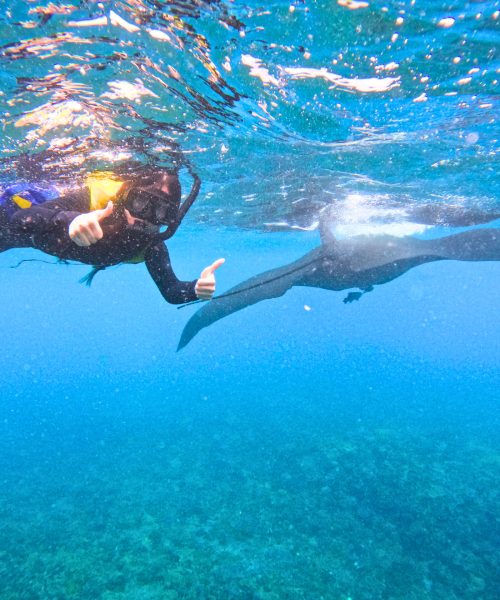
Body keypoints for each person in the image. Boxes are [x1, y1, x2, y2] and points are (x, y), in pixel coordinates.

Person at [177, 209, 500, 349]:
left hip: (339, 267)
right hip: (330, 265)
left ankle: (197, 324)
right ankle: (197, 324)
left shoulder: (403, 250)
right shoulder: (412, 250)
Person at [0, 169, 224, 304]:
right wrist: (70, 220)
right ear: (126, 196)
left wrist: (196, 289)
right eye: (140, 202)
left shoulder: (150, 246)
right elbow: (23, 220)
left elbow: (171, 291)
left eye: (162, 212)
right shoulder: (93, 201)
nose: (146, 217)